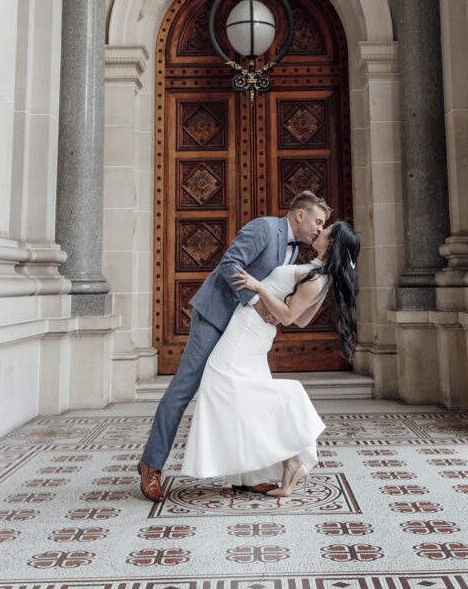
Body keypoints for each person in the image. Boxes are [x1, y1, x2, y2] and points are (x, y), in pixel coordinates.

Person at [137, 191, 331, 502]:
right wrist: (254, 302)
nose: (319, 230)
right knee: (184, 388)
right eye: (318, 222)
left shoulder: (293, 251)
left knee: (249, 396)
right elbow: (230, 264)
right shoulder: (264, 228)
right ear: (300, 215)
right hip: (216, 315)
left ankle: (249, 476)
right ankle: (151, 465)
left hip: (244, 333)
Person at [180, 220, 360, 497]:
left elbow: (289, 317)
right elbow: (301, 321)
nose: (320, 230)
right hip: (254, 330)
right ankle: (283, 465)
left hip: (248, 331)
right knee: (242, 395)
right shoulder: (319, 275)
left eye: (325, 229)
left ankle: (291, 437)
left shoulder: (316, 279)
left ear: (332, 241)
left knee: (219, 382)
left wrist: (258, 288)